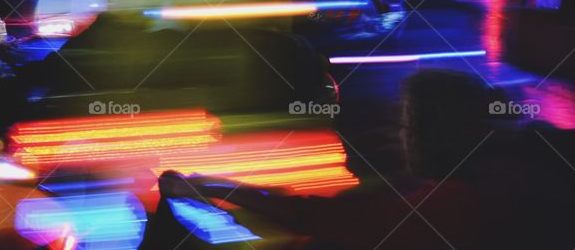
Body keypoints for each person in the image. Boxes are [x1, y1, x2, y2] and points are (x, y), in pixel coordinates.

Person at [158, 69, 575, 250]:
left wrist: (221, 188)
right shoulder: (505, 161)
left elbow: (342, 221)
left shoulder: (460, 199)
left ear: (436, 132)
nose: (401, 137)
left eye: (408, 126)